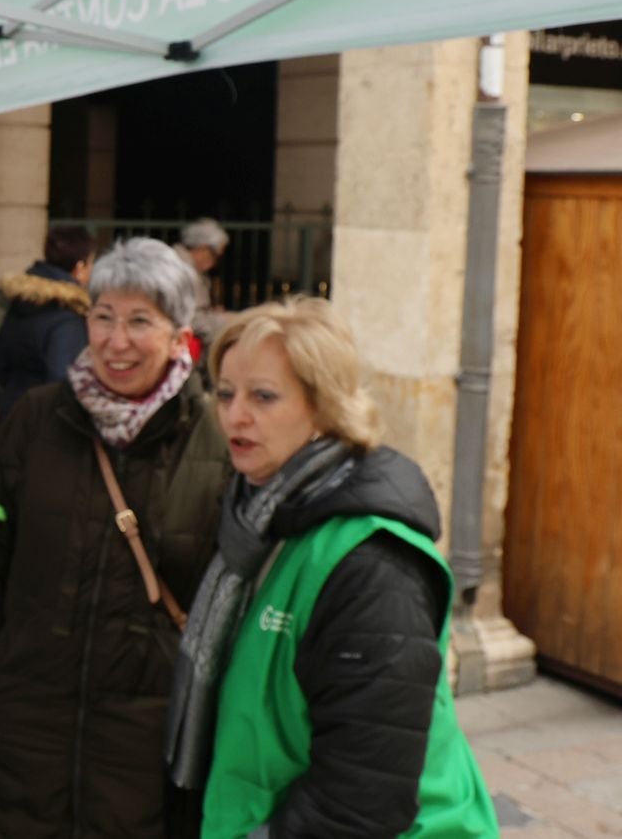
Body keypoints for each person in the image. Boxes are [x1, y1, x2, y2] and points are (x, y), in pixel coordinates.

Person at [167, 299, 499, 838]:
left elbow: (363, 795)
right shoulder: (255, 516)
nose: (235, 415)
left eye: (263, 396)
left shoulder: (372, 565)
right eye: (226, 393)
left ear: (323, 406)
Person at [0, 237, 232, 839]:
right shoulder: (39, 417)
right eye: (102, 317)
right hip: (19, 724)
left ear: (180, 335)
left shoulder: (217, 442)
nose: (115, 341)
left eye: (139, 321)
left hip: (144, 739)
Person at [0, 223, 97, 447]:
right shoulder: (67, 317)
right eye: (92, 263)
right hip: (46, 431)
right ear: (80, 267)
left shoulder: (22, 304)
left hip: (11, 414)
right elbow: (63, 383)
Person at [175, 218, 230, 347]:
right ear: (203, 248)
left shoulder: (191, 269)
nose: (216, 262)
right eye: (216, 255)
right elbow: (189, 319)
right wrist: (223, 321)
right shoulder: (182, 270)